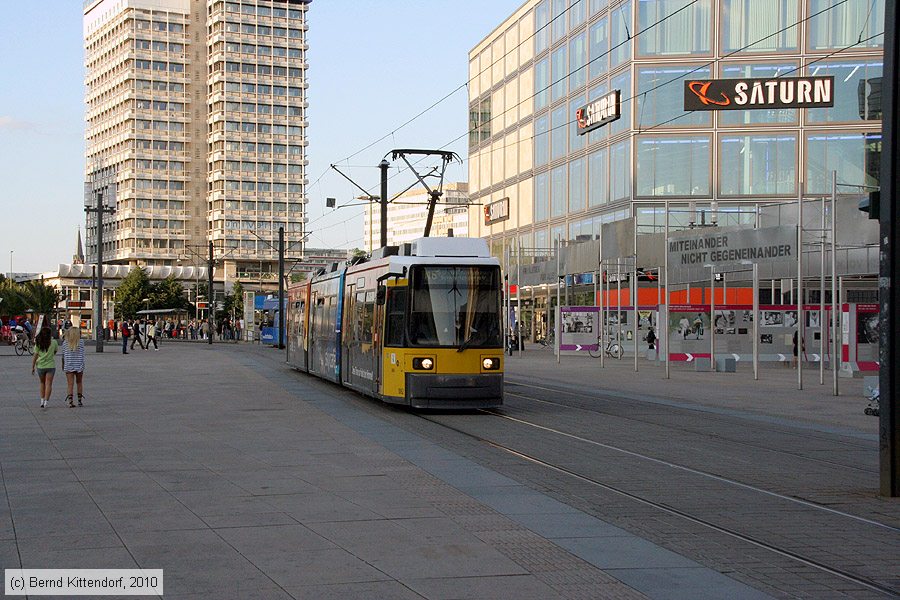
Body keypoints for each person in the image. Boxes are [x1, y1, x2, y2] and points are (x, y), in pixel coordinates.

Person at [31, 326, 58, 409]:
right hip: (50, 366)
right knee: (49, 384)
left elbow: (35, 355)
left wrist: (32, 367)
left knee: (42, 383)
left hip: (40, 366)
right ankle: (46, 401)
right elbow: (55, 351)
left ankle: (42, 400)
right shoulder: (54, 342)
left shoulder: (38, 343)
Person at [61, 325, 86, 407]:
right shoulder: (81, 342)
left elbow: (63, 355)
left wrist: (63, 365)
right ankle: (79, 400)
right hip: (79, 365)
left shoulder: (65, 343)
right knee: (79, 382)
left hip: (68, 365)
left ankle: (70, 401)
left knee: (70, 384)